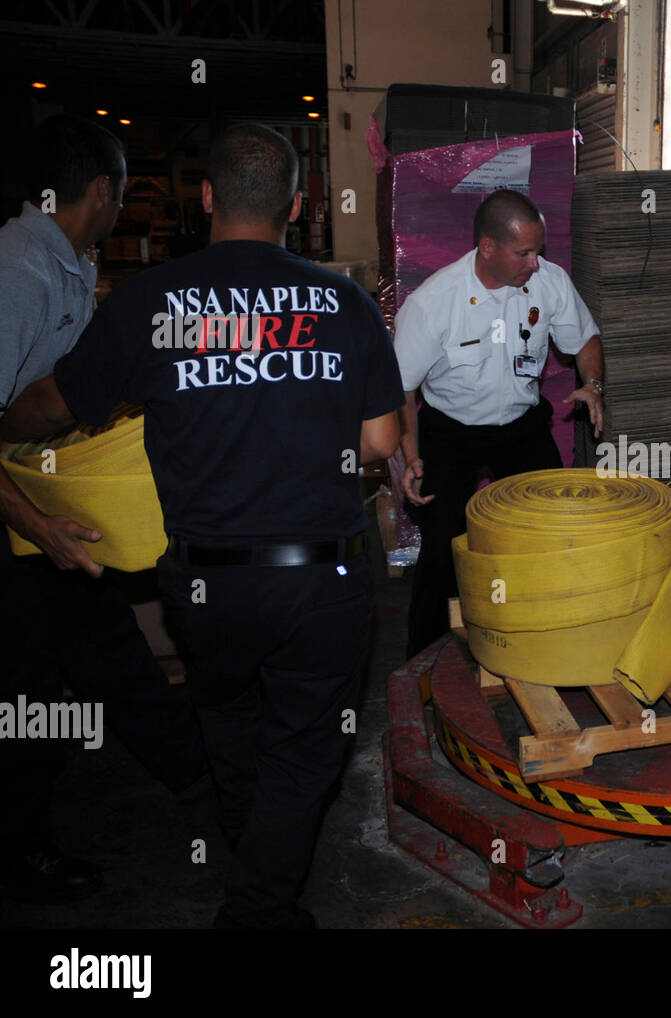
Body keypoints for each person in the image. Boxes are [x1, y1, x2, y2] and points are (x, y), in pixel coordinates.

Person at [3, 122, 403, 928]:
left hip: (206, 581)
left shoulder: (148, 304)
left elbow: (56, 404)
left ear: (208, 198)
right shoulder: (344, 302)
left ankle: (250, 865)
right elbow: (378, 444)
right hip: (320, 581)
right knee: (303, 754)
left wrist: (11, 424)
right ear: (296, 204)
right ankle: (257, 907)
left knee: (228, 720)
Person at [0, 114, 206, 904]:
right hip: (19, 520)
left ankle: (198, 775)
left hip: (46, 500)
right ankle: (21, 851)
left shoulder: (71, 265)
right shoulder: (20, 271)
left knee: (107, 646)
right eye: (122, 195)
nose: (122, 210)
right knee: (29, 691)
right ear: (100, 191)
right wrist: (38, 527)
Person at [393, 188, 605, 658]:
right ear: (487, 247)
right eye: (524, 252)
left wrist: (594, 385)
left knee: (549, 531)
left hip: (520, 426)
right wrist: (412, 455)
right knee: (444, 550)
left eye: (540, 250)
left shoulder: (548, 282)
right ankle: (424, 665)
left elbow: (585, 338)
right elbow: (402, 388)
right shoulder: (434, 302)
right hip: (451, 429)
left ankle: (549, 639)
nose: (536, 262)